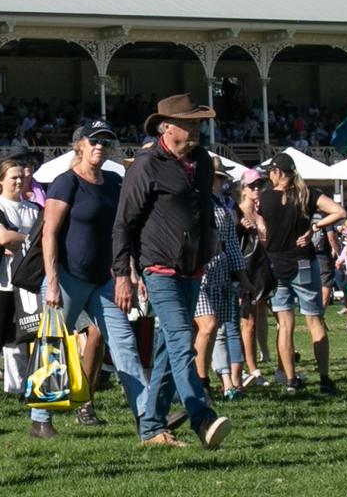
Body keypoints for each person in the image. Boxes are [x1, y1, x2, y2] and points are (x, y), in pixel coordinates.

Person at [113, 95, 231, 448]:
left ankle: (151, 428)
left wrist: (210, 245)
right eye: (189, 123)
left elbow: (204, 210)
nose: (196, 129)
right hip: (159, 268)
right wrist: (124, 273)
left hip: (194, 268)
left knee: (167, 349)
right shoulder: (147, 165)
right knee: (182, 341)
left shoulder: (204, 162)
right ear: (166, 126)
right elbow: (123, 223)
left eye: (199, 123)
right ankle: (201, 417)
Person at [29, 120, 148, 438]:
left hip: (103, 279)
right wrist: (52, 281)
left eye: (105, 142)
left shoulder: (113, 182)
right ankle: (40, 420)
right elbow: (49, 234)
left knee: (125, 344)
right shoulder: (65, 182)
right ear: (79, 145)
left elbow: (122, 233)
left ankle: (147, 417)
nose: (100, 147)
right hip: (67, 279)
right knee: (52, 347)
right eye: (94, 141)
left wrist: (131, 273)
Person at [256, 151, 346, 395]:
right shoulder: (307, 194)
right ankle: (325, 379)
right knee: (315, 321)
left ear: (278, 173)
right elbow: (340, 212)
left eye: (270, 172)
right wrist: (315, 226)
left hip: (276, 266)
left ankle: (291, 380)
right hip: (304, 264)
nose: (268, 176)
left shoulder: (264, 199)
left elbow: (260, 226)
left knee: (285, 325)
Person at [0, 157, 39, 407]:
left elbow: (39, 235)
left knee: (30, 333)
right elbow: (1, 236)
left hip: (29, 280)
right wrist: (31, 240)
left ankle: (29, 385)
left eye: (22, 176)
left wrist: (19, 240)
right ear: (1, 180)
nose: (19, 180)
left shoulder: (33, 208)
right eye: (13, 177)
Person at [194, 156, 245, 400]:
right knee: (208, 325)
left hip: (220, 270)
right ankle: (200, 381)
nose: (220, 181)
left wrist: (242, 277)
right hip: (199, 271)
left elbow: (232, 243)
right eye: (218, 176)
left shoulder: (221, 203)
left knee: (215, 329)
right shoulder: (196, 200)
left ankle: (201, 379)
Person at [235, 169, 273, 388]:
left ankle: (256, 362)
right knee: (247, 323)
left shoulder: (261, 213)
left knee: (258, 319)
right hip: (244, 271)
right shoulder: (238, 213)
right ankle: (252, 369)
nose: (257, 189)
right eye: (252, 186)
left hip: (261, 271)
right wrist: (241, 229)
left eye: (260, 185)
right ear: (244, 189)